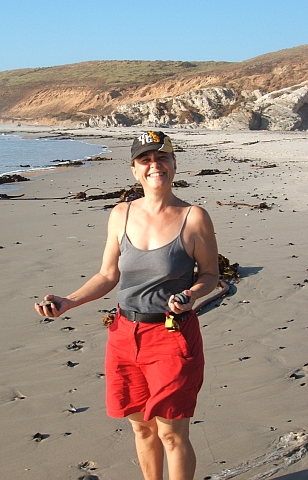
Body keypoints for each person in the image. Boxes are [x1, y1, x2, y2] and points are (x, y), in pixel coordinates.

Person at [35, 131, 219, 480]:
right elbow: (107, 275)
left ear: (174, 164)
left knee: (171, 433)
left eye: (162, 157)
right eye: (145, 160)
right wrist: (68, 301)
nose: (155, 165)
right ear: (134, 169)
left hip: (172, 336)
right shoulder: (120, 214)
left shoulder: (194, 217)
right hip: (123, 335)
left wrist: (192, 295)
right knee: (142, 429)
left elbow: (211, 275)